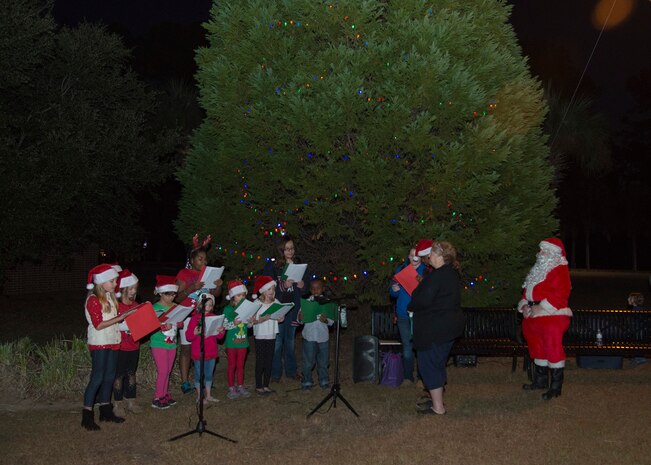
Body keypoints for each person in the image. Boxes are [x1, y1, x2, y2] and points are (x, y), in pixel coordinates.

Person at [409, 241, 464, 415]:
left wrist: (412, 304)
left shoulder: (438, 275)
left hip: (435, 329)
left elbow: (423, 300)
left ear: (440, 256)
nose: (429, 256)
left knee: (429, 365)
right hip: (446, 328)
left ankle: (438, 408)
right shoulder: (450, 274)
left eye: (432, 253)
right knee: (437, 364)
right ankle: (436, 401)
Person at [518, 238, 572, 400]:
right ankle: (540, 381)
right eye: (541, 250)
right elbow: (526, 293)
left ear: (554, 253)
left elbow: (562, 294)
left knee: (552, 348)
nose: (540, 253)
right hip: (533, 316)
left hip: (552, 316)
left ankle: (555, 387)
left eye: (544, 250)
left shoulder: (559, 269)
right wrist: (525, 306)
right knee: (537, 347)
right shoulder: (537, 270)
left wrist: (540, 307)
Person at [81, 264, 132, 430]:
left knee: (109, 376)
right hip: (100, 342)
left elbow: (116, 321)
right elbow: (99, 324)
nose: (115, 283)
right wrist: (121, 318)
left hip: (113, 341)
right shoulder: (93, 299)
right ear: (101, 282)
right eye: (112, 280)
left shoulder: (110, 297)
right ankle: (87, 415)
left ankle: (105, 410)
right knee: (97, 377)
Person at [175, 235, 223, 395]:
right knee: (187, 349)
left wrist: (218, 286)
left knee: (205, 348)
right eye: (200, 259)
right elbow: (177, 297)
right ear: (192, 259)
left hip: (205, 317)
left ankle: (204, 379)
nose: (204, 262)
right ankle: (185, 382)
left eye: (205, 260)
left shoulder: (208, 274)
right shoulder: (184, 274)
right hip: (188, 316)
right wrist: (192, 288)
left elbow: (215, 295)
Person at [262, 236, 305, 382]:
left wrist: (302, 286)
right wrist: (283, 286)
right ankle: (275, 373)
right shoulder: (273, 267)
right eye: (287, 249)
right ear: (281, 250)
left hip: (293, 308)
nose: (290, 251)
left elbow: (305, 290)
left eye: (292, 248)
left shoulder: (298, 265)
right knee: (277, 343)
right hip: (279, 308)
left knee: (290, 343)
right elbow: (267, 288)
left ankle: (292, 371)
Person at [389, 247, 427, 383]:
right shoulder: (401, 270)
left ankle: (422, 377)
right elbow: (393, 292)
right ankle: (407, 377)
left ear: (421, 257)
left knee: (422, 346)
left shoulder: (427, 271)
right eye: (411, 255)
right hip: (403, 314)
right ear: (408, 257)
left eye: (417, 255)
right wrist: (394, 289)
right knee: (407, 346)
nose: (414, 258)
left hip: (421, 315)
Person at [112, 269, 142, 417]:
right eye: (130, 288)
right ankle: (117, 403)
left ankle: (131, 400)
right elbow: (112, 325)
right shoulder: (116, 307)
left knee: (131, 373)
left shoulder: (136, 305)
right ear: (123, 289)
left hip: (134, 346)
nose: (133, 291)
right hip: (121, 346)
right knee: (119, 375)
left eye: (135, 289)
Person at [185, 293, 225, 404]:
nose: (208, 307)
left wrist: (221, 331)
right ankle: (199, 396)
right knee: (199, 374)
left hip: (211, 351)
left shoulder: (214, 318)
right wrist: (195, 333)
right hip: (198, 352)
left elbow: (219, 336)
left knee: (209, 374)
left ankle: (208, 395)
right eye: (206, 305)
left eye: (210, 305)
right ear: (199, 305)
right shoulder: (194, 319)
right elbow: (188, 337)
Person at [150, 275, 183, 409]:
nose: (171, 297)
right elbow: (149, 326)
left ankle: (165, 393)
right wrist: (163, 326)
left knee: (168, 370)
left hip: (172, 343)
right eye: (168, 295)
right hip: (158, 343)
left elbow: (179, 323)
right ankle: (158, 397)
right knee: (163, 370)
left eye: (174, 294)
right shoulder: (154, 308)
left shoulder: (176, 306)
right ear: (160, 293)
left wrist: (179, 323)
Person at [252, 275, 285, 395]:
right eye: (269, 289)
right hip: (260, 335)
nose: (272, 292)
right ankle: (258, 385)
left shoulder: (276, 302)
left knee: (269, 360)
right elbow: (253, 320)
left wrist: (281, 318)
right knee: (260, 360)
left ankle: (266, 384)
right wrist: (263, 318)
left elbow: (280, 315)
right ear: (262, 291)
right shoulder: (257, 303)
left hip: (271, 334)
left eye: (273, 289)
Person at [298, 279, 334, 391]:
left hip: (323, 337)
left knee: (323, 361)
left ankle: (324, 381)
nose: (315, 290)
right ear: (310, 290)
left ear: (323, 289)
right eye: (313, 288)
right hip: (309, 336)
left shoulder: (327, 302)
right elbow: (300, 319)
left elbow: (331, 321)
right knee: (308, 361)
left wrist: (326, 320)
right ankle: (307, 381)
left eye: (318, 288)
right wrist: (300, 317)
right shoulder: (307, 302)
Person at [222, 280, 253, 399]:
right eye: (239, 295)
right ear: (232, 297)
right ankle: (231, 387)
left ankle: (240, 385)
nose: (241, 297)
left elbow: (248, 327)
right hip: (231, 343)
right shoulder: (227, 309)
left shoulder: (246, 308)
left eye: (243, 295)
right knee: (232, 365)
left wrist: (250, 322)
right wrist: (233, 323)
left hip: (243, 342)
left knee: (240, 365)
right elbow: (224, 326)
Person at [627, 292, 646, 366]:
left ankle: (639, 358)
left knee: (637, 340)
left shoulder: (636, 310)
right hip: (639, 331)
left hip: (638, 331)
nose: (627, 299)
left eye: (629, 298)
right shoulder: (640, 309)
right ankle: (638, 357)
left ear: (634, 300)